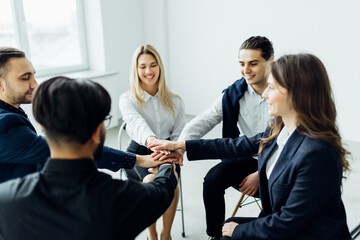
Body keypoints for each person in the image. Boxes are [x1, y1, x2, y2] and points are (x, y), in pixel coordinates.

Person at [149, 53, 351, 239]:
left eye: (271, 88)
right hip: (284, 223)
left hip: (305, 234)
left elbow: (288, 222)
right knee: (226, 226)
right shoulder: (280, 128)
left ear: (295, 93)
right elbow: (236, 145)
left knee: (231, 230)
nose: (264, 95)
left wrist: (241, 231)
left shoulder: (317, 153)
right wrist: (183, 146)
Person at [0, 76, 178, 240]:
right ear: (96, 132)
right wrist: (167, 166)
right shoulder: (125, 199)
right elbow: (162, 190)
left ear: (42, 128)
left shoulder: (6, 199)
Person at [0, 47, 165, 184]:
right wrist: (139, 160)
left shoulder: (12, 111)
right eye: (25, 78)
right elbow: (66, 150)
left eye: (33, 75)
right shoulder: (5, 125)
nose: (34, 84)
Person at [175, 36, 274, 239]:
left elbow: (284, 145)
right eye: (242, 63)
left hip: (278, 165)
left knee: (272, 205)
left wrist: (260, 176)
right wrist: (179, 146)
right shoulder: (234, 93)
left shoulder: (283, 92)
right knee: (212, 180)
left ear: (270, 61)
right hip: (247, 157)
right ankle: (215, 235)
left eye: (253, 63)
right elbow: (205, 119)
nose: (246, 69)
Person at [119, 44, 185, 240]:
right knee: (151, 181)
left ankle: (166, 234)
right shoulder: (128, 99)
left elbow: (179, 134)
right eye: (143, 66)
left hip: (170, 151)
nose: (148, 71)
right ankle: (152, 235)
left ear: (160, 67)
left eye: (153, 65)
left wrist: (174, 150)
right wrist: (155, 143)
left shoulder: (175, 101)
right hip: (139, 152)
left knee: (171, 182)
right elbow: (136, 124)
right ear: (136, 69)